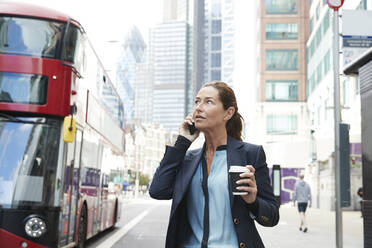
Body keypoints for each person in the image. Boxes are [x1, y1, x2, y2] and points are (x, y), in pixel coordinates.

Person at [149, 81, 279, 248]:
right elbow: (158, 191)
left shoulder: (250, 154)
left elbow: (272, 217)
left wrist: (253, 201)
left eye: (208, 102)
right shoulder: (188, 158)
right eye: (197, 101)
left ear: (228, 113)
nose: (198, 108)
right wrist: (182, 143)